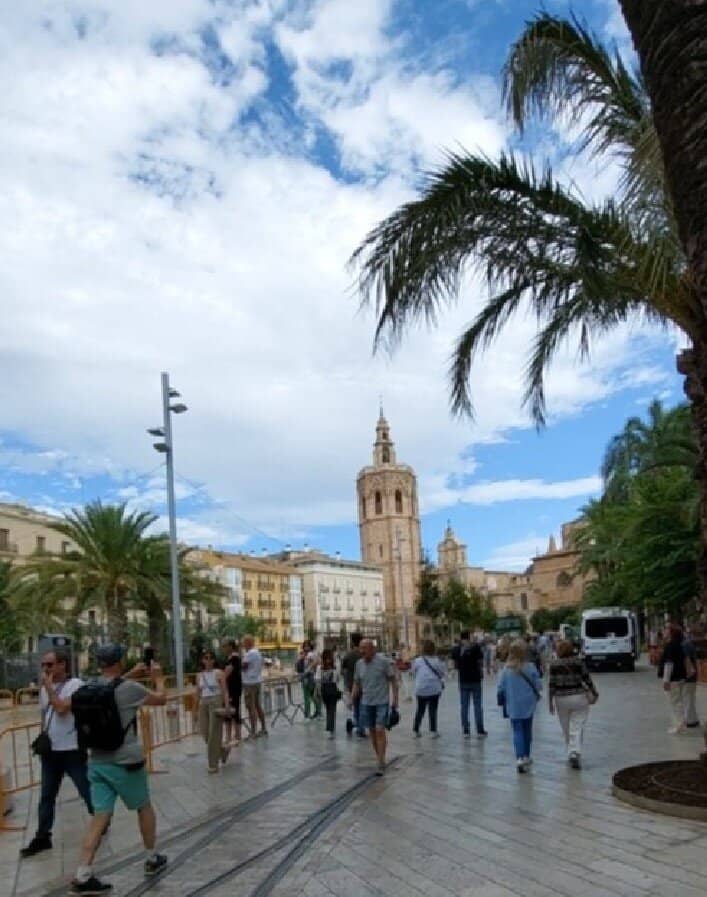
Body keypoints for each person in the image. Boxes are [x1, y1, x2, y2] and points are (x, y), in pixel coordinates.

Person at [69, 644, 167, 895]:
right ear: (119, 662)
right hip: (125, 762)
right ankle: (151, 857)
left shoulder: (88, 686)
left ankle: (82, 874)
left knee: (99, 818)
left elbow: (112, 686)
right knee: (143, 807)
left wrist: (132, 673)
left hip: (97, 762)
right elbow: (161, 699)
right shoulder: (130, 689)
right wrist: (158, 679)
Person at [20, 648, 93, 858]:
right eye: (44, 665)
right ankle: (43, 836)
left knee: (85, 790)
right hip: (51, 752)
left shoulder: (75, 685)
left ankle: (100, 821)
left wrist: (50, 689)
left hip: (71, 750)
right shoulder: (45, 689)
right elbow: (46, 714)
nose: (46, 669)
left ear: (63, 665)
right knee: (46, 796)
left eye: (50, 665)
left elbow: (61, 708)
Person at [548, 639, 598, 769]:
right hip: (579, 697)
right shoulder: (578, 662)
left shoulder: (554, 664)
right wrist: (594, 692)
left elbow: (551, 684)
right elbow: (587, 679)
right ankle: (574, 752)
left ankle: (571, 752)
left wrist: (550, 701)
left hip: (561, 699)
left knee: (566, 728)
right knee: (577, 726)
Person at [352, 639, 398, 775]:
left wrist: (395, 699)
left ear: (372, 649)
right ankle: (380, 757)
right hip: (366, 702)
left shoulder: (383, 662)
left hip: (381, 702)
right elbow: (356, 682)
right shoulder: (358, 664)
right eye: (360, 648)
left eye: (364, 648)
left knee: (379, 730)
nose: (362, 651)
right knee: (372, 731)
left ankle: (381, 761)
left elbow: (393, 680)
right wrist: (352, 697)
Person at [497, 639, 542, 773]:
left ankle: (519, 758)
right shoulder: (530, 667)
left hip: (513, 704)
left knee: (517, 730)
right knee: (527, 729)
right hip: (528, 703)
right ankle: (527, 756)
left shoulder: (506, 670)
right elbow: (539, 685)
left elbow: (500, 688)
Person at [193, 651, 228, 772]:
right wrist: (194, 710)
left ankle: (213, 764)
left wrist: (227, 705)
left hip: (215, 701)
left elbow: (224, 691)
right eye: (205, 658)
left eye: (210, 658)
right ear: (202, 660)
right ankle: (222, 750)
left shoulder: (219, 673)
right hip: (203, 702)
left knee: (214, 732)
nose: (208, 660)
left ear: (213, 660)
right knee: (205, 732)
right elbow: (197, 693)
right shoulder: (199, 675)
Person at [457, 631, 487, 739]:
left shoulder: (457, 649)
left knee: (464, 706)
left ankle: (465, 730)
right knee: (478, 705)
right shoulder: (476, 647)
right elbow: (480, 662)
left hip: (463, 680)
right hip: (475, 679)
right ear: (469, 637)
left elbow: (454, 664)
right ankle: (480, 730)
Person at [412, 640, 445, 738]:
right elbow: (442, 673)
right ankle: (433, 731)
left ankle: (416, 730)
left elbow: (413, 672)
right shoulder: (437, 661)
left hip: (421, 689)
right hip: (434, 689)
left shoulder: (417, 661)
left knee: (420, 710)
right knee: (433, 710)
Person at [659, 623, 688, 734]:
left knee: (675, 702)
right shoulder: (678, 645)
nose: (664, 631)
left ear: (671, 633)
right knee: (677, 701)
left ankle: (679, 725)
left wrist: (666, 680)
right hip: (679, 677)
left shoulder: (670, 646)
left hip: (673, 678)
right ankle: (680, 724)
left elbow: (669, 663)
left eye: (666, 629)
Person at [242, 635, 267, 737]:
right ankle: (263, 728)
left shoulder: (249, 654)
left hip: (249, 682)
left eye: (244, 642)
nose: (243, 644)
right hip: (257, 681)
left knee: (250, 707)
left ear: (248, 642)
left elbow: (244, 667)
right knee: (257, 705)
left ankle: (253, 731)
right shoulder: (257, 653)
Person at [341, 632, 364, 736]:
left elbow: (343, 670)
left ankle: (359, 726)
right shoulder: (364, 653)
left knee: (357, 705)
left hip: (352, 684)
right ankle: (360, 727)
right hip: (365, 684)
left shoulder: (348, 655)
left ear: (352, 641)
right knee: (364, 705)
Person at [315, 649, 341, 739]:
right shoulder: (334, 667)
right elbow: (338, 679)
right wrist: (318, 692)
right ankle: (331, 729)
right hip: (329, 689)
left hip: (327, 689)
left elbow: (318, 680)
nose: (328, 660)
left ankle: (331, 729)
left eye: (329, 658)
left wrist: (318, 691)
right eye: (327, 658)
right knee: (330, 710)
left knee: (330, 710)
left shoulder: (320, 668)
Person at [222, 640, 243, 747]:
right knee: (231, 712)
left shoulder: (234, 659)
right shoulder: (232, 658)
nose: (223, 648)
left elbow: (226, 673)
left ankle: (235, 736)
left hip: (232, 689)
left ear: (230, 646)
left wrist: (221, 678)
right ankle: (231, 736)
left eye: (225, 646)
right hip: (232, 688)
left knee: (232, 711)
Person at [683, 629, 700, 729]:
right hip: (693, 676)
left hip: (689, 676)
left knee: (688, 698)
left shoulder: (685, 645)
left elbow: (687, 660)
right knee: (691, 698)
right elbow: (695, 661)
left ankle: (690, 720)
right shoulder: (691, 645)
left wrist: (688, 674)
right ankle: (694, 719)